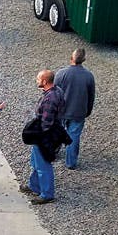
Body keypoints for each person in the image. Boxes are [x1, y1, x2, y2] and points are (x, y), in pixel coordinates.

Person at [22, 70, 67, 205]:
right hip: (50, 133)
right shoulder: (57, 90)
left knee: (43, 165)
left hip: (44, 137)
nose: (36, 81)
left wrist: (37, 136)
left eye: (38, 79)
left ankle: (47, 194)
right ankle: (34, 185)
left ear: (45, 82)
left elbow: (46, 123)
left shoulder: (49, 99)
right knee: (36, 162)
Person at [54, 47, 95, 170]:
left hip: (61, 111)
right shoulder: (89, 76)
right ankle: (71, 162)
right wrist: (88, 110)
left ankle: (53, 153)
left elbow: (54, 93)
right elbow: (91, 96)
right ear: (84, 60)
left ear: (71, 58)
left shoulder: (61, 73)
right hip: (78, 112)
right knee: (73, 136)